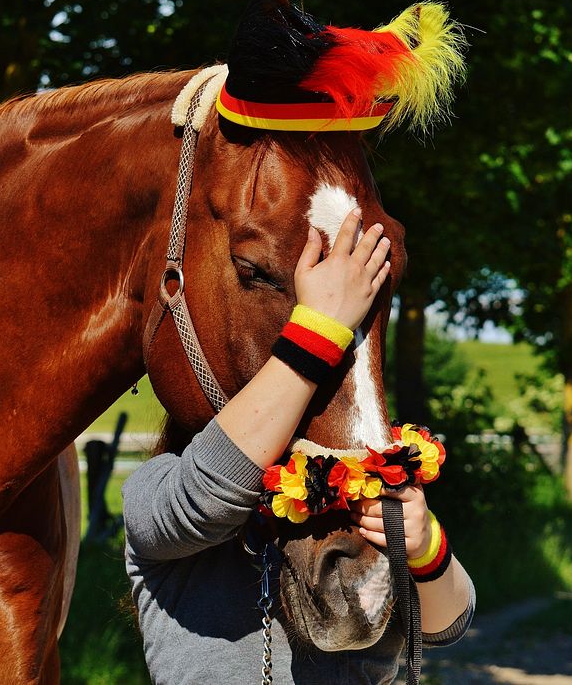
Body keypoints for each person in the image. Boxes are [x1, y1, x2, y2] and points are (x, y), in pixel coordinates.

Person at [123, 208, 475, 684]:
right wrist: (318, 330)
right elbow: (206, 494)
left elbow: (447, 622)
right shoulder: (156, 492)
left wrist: (425, 543)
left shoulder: (356, 497)